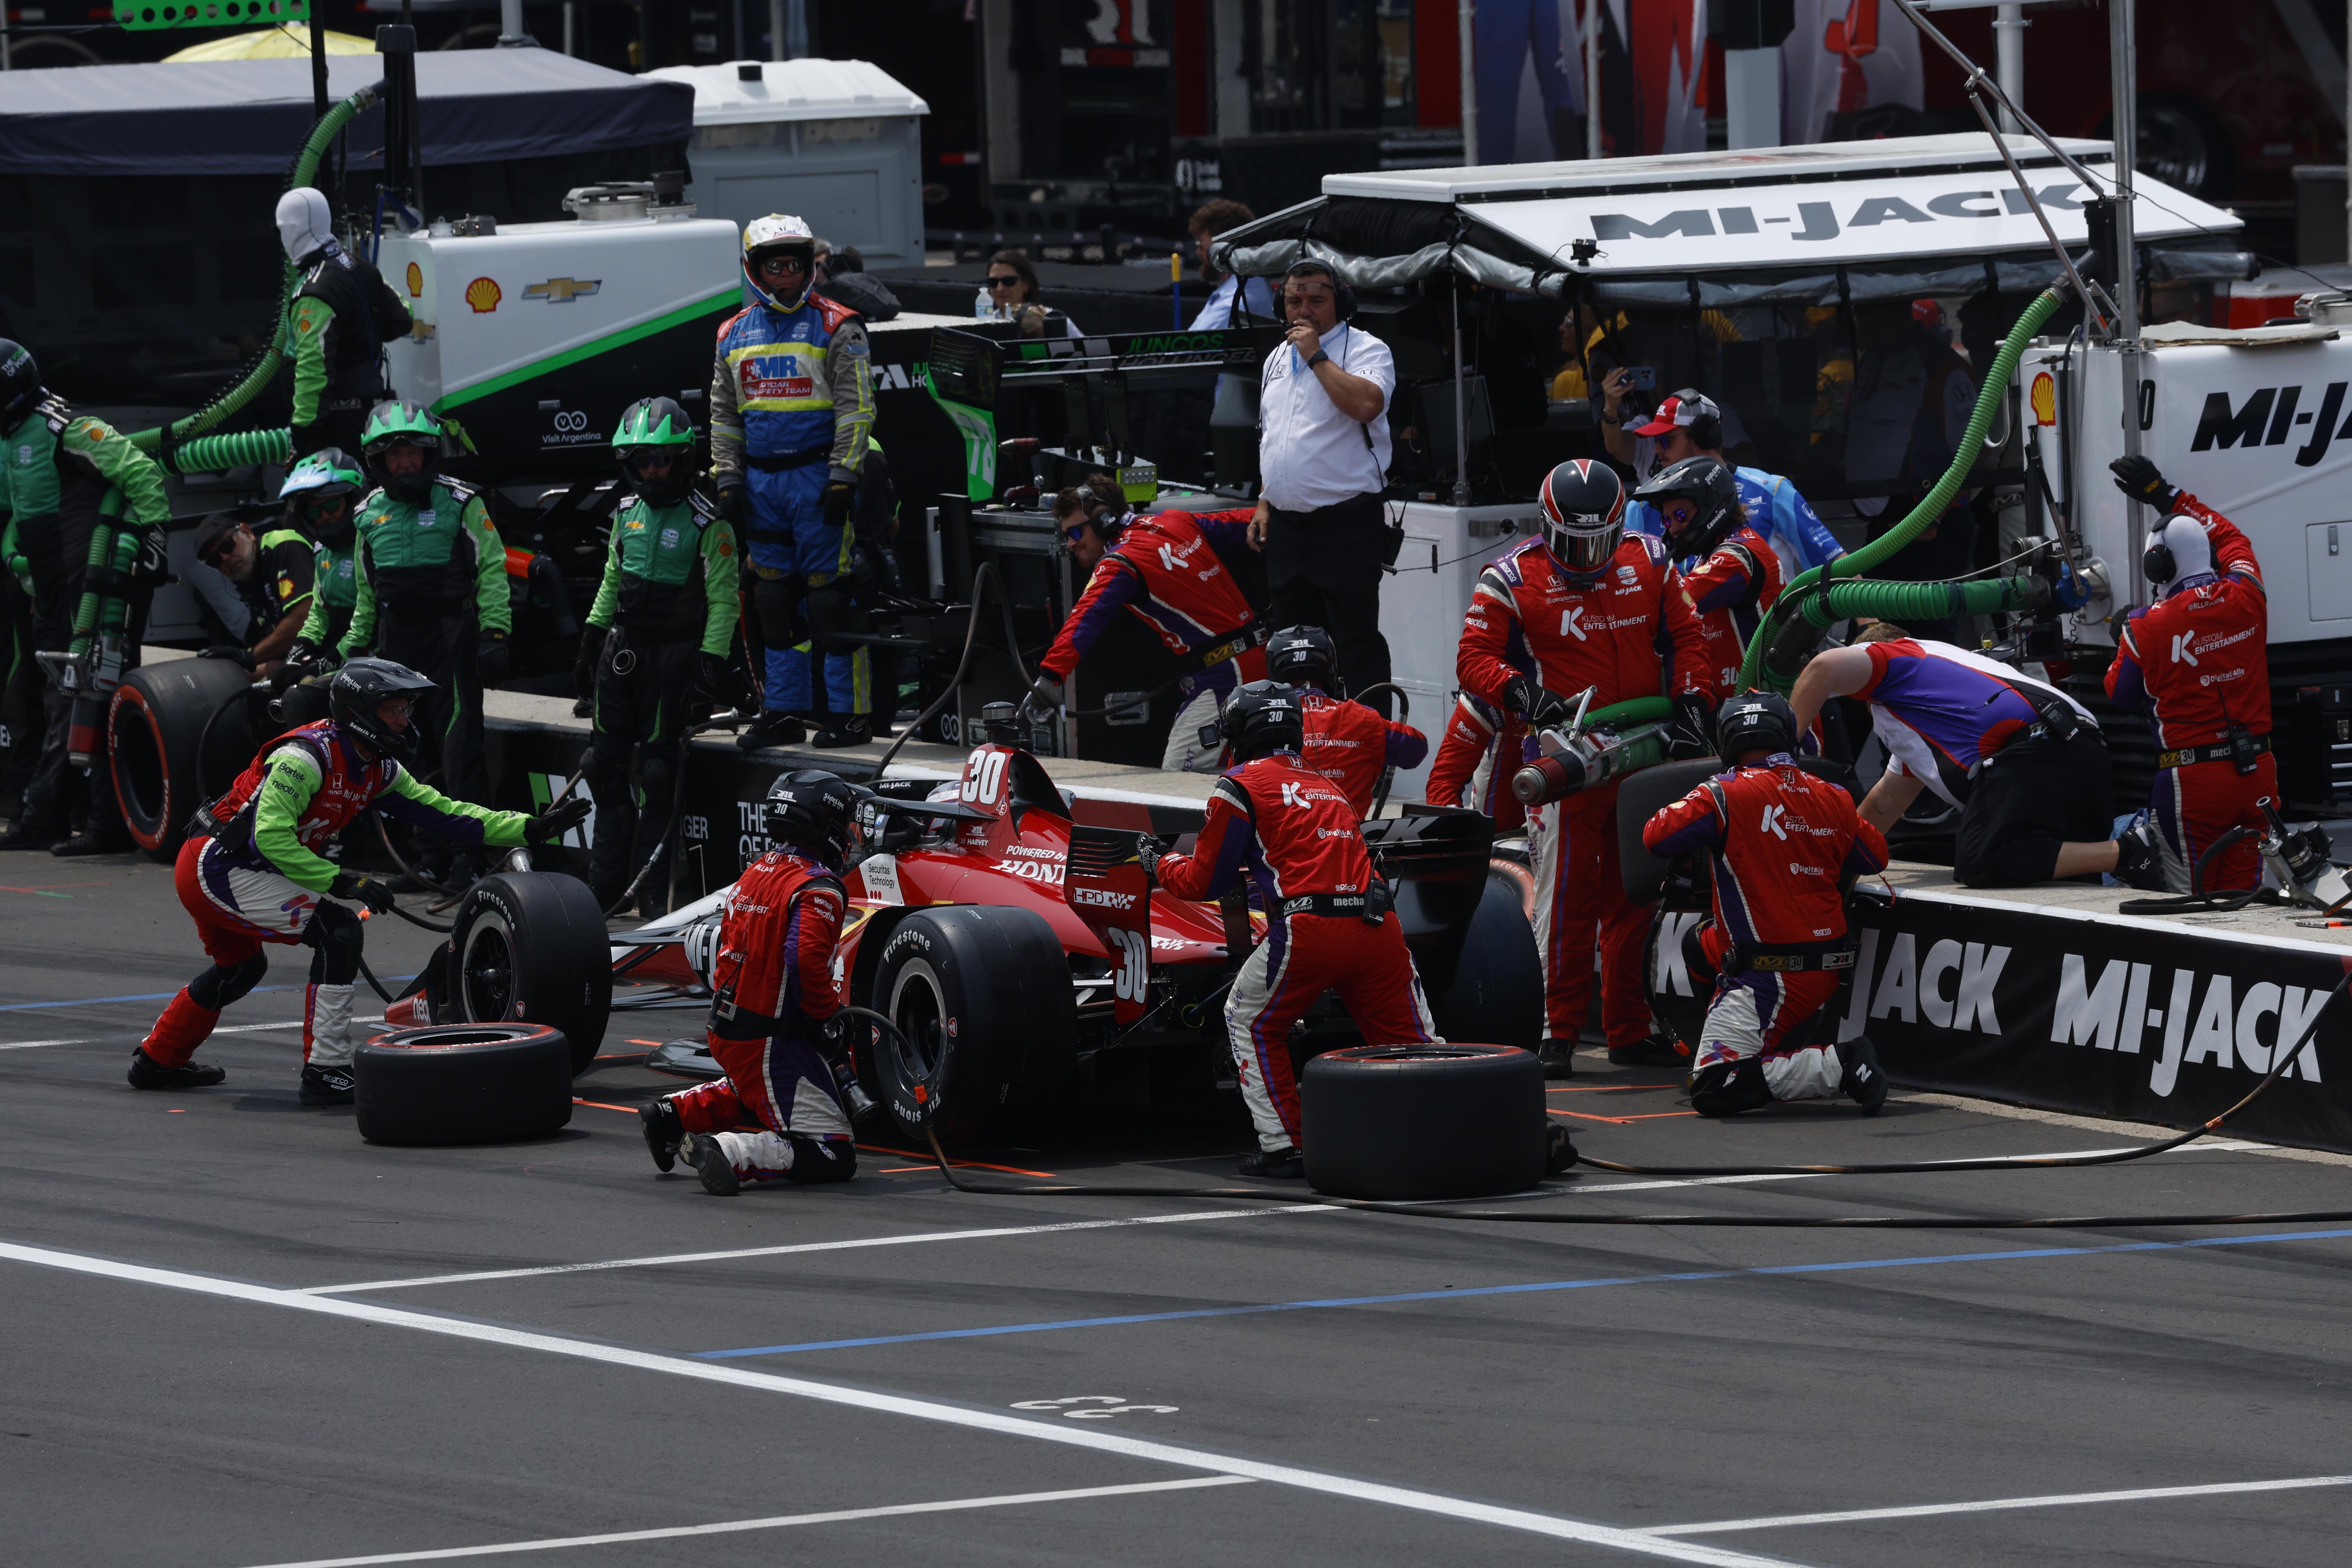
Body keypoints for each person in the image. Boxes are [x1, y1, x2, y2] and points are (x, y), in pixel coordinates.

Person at [128, 658, 589, 1102]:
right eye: (395, 708)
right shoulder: (303, 759)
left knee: (241, 970)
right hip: (219, 866)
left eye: (407, 708)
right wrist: (344, 882)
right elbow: (269, 837)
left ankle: (157, 1059)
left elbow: (445, 813)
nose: (405, 719)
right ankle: (325, 1070)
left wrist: (528, 827)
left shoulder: (378, 767)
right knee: (338, 932)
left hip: (238, 868)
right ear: (362, 712)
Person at [1455, 459, 1713, 1072]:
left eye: (1601, 539)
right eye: (1574, 540)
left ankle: (1627, 1030)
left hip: (1645, 754)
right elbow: (1473, 661)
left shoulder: (1650, 558)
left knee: (1634, 898)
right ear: (1548, 526)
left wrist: (1695, 706)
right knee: (1565, 899)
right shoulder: (1510, 577)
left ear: (1620, 527)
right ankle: (1556, 1033)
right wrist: (1526, 696)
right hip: (1564, 760)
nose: (1588, 553)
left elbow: (1689, 641)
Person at [1148, 680, 1444, 1177]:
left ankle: (1285, 1144)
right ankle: (1463, 1124)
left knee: (1248, 1019)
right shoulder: (1329, 786)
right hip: (1379, 926)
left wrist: (1160, 864)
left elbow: (1205, 880)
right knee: (1415, 1046)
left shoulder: (1239, 784)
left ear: (1240, 733)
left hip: (1311, 930)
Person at [1641, 691, 1892, 1116]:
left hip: (1768, 976)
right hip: (1827, 964)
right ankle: (1747, 1044)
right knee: (1698, 944)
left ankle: (1838, 1063)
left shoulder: (1722, 792)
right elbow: (1875, 857)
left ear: (1728, 740)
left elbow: (1655, 835)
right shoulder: (1832, 794)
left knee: (1713, 1088)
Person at [1790, 623, 2161, 889]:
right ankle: (2128, 850)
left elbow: (1824, 668)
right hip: (2078, 745)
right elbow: (1886, 800)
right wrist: (1838, 864)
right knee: (2061, 874)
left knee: (1980, 860)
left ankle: (2123, 849)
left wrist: (1779, 758)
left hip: (2037, 747)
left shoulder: (1898, 656)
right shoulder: (1937, 696)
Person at [638, 769, 862, 1195]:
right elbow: (805, 960)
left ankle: (674, 1115)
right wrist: (829, 1016)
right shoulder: (819, 887)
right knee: (835, 1150)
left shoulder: (756, 870)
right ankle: (732, 1151)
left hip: (731, 1026)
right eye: (844, 823)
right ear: (825, 825)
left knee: (765, 1091)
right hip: (768, 1038)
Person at [0, 339, 171, 855]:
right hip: (52, 589)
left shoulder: (66, 427)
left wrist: (154, 540)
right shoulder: (9, 438)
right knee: (60, 700)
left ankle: (107, 825)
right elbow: (15, 518)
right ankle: (49, 815)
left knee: (97, 695)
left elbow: (141, 472)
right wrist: (22, 570)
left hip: (98, 585)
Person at [714, 214, 877, 753]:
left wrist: (842, 477)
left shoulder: (839, 325)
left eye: (795, 264)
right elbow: (723, 415)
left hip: (817, 478)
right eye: (775, 265)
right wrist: (728, 479)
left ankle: (850, 715)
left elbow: (857, 409)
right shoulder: (732, 333)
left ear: (809, 266)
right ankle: (783, 711)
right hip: (760, 483)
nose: (786, 275)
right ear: (754, 270)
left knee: (830, 601)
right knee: (774, 604)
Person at [575, 396, 740, 915]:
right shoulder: (626, 513)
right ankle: (604, 888)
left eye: (661, 459)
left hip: (673, 662)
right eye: (643, 461)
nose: (652, 470)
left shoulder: (707, 523)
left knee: (657, 776)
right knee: (601, 767)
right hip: (620, 655)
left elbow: (724, 602)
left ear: (682, 459)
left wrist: (710, 668)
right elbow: (610, 581)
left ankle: (652, 897)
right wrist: (590, 638)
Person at [338, 399, 511, 884]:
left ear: (429, 453)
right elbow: (366, 594)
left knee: (461, 752)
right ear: (379, 462)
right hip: (396, 646)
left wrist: (495, 634)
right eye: (395, 457)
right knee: (408, 757)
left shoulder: (463, 502)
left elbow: (493, 572)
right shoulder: (367, 514)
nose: (406, 463)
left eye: (413, 452)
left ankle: (468, 856)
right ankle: (427, 858)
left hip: (451, 640)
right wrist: (354, 649)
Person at [2104, 456, 2271, 893]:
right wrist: (2166, 496)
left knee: (2190, 906)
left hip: (2190, 782)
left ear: (2156, 566)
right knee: (2247, 902)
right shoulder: (2248, 594)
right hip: (2259, 771)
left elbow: (2119, 694)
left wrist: (2121, 638)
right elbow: (2232, 536)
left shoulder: (2144, 626)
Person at [1022, 474, 1264, 773]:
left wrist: (1050, 677)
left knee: (1178, 780)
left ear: (1104, 520)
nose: (1071, 544)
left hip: (1226, 678)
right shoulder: (1175, 521)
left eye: (1075, 532)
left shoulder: (1121, 562)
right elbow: (1249, 521)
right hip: (1257, 660)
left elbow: (1084, 618)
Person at [1250, 259, 1397, 716]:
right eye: (1294, 300)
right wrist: (1264, 500)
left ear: (1341, 302)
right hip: (1288, 527)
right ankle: (1302, 745)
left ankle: (1373, 750)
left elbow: (1366, 405)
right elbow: (1271, 434)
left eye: (1317, 299)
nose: (1304, 309)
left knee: (1354, 640)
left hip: (1346, 522)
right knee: (1292, 646)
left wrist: (1317, 356)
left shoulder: (1368, 350)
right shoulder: (1276, 357)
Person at [1606, 384, 1845, 582]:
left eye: (1665, 440)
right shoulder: (1641, 508)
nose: (1657, 449)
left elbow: (1836, 565)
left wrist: (1870, 625)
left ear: (1703, 436)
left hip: (1765, 637)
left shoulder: (1771, 491)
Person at [1843, 301, 1978, 639]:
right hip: (1886, 525)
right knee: (1868, 634)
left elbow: (1971, 452)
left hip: (1931, 531)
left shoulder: (1942, 365)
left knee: (1928, 639)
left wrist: (1933, 515)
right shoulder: (1874, 360)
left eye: (1864, 313)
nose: (1857, 324)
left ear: (1890, 312)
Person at [276, 187, 410, 462]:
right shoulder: (360, 267)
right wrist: (361, 335)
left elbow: (314, 373)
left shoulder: (313, 292)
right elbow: (403, 317)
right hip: (373, 416)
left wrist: (301, 435)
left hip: (333, 427)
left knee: (328, 504)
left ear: (292, 229)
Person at [1635, 456, 1782, 698]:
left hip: (1771, 712)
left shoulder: (1738, 555)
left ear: (1711, 503)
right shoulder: (1709, 555)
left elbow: (1676, 599)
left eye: (1680, 515)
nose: (1672, 528)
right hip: (1744, 711)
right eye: (1666, 519)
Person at [1266, 623, 1426, 820]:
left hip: (1280, 847)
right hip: (1348, 844)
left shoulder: (1258, 722)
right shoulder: (1364, 719)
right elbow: (1417, 748)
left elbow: (1236, 786)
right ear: (1330, 667)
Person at [278, 448, 367, 678]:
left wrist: (334, 658)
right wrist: (301, 647)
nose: (324, 517)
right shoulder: (321, 551)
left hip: (374, 656)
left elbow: (373, 613)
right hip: (343, 658)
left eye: (330, 506)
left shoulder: (371, 543)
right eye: (315, 512)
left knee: (299, 700)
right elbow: (320, 611)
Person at [192, 512, 314, 680]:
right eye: (215, 560)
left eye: (228, 546)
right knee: (231, 679)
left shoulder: (283, 545)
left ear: (247, 532)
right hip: (304, 658)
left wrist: (248, 657)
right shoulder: (249, 579)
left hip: (340, 654)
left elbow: (304, 619)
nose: (226, 558)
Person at [1423, 690, 1526, 830]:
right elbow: (1445, 778)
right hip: (1502, 717)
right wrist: (1448, 831)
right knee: (1492, 824)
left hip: (1559, 716)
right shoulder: (1482, 703)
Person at [1187, 200, 1276, 330]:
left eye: (1201, 243)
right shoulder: (1234, 291)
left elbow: (1192, 349)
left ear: (1222, 246)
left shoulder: (1236, 303)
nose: (1198, 252)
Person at [974, 248, 1083, 338]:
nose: (1000, 288)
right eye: (993, 282)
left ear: (1027, 285)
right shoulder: (984, 327)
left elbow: (1089, 356)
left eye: (1009, 281)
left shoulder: (1052, 320)